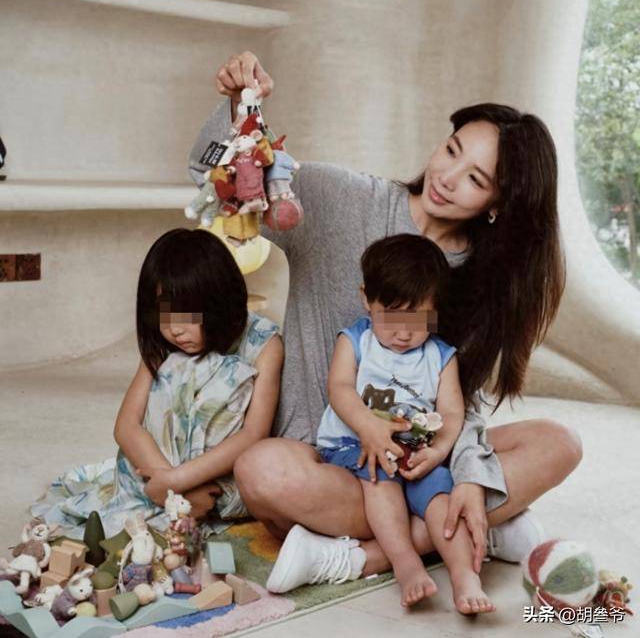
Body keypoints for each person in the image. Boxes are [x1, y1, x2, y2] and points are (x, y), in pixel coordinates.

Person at [187, 51, 581, 587]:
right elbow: (215, 184)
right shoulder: (344, 201)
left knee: (560, 443)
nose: (447, 177)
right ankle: (477, 528)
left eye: (475, 178)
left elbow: (461, 406)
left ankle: (362, 557)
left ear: (498, 205)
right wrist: (241, 107)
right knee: (262, 472)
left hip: (421, 459)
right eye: (451, 150)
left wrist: (467, 476)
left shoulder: (487, 279)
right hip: (326, 458)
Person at [275, 233, 495, 613]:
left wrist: (439, 451)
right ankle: (405, 563)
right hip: (356, 445)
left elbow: (452, 412)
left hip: (418, 450)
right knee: (380, 478)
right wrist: (368, 427)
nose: (404, 332)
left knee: (442, 500)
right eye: (391, 316)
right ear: (367, 299)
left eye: (418, 319)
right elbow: (340, 388)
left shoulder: (441, 356)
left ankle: (465, 577)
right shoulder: (356, 340)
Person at [31, 228, 283, 538]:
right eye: (165, 315)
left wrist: (177, 482)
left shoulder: (264, 343)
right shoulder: (163, 346)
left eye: (188, 315)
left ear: (218, 302)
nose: (175, 330)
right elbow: (127, 425)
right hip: (156, 474)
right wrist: (167, 485)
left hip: (221, 479)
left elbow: (254, 434)